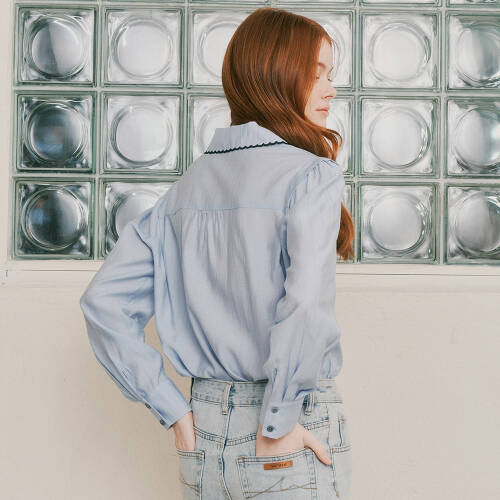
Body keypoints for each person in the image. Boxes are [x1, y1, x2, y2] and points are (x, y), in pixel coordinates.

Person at [80, 6, 355, 499]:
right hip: (285, 429)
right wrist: (278, 421)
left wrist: (174, 411)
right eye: (317, 74)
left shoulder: (181, 194)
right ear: (275, 75)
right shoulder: (311, 175)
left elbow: (103, 303)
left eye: (330, 75)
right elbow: (306, 305)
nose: (331, 89)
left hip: (205, 436)